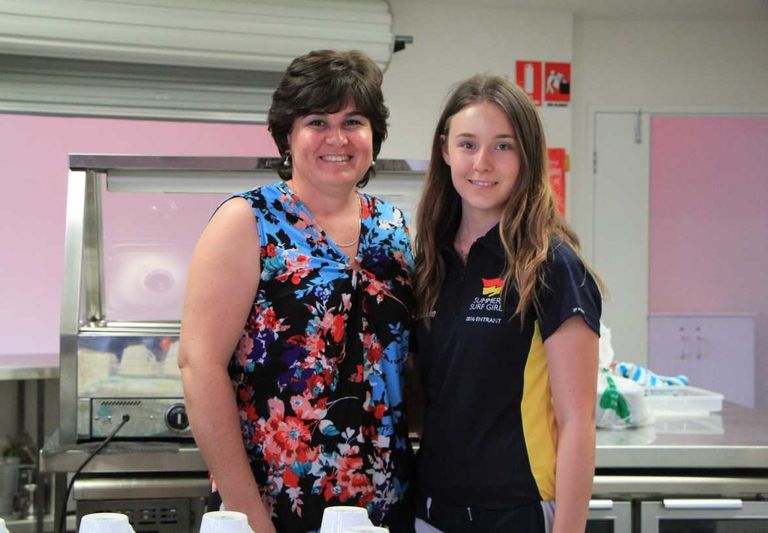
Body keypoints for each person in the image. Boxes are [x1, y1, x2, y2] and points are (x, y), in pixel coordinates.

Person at [179, 50, 416, 533]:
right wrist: (248, 517)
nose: (337, 138)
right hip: (275, 501)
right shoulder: (248, 221)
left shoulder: (393, 227)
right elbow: (199, 364)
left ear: (374, 135)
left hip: (384, 503)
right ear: (288, 134)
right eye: (317, 121)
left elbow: (407, 362)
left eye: (354, 120)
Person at [411, 74, 603, 533]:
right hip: (432, 511)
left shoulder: (551, 265)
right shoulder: (428, 261)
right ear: (445, 151)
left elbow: (577, 421)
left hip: (517, 513)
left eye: (503, 145)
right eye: (467, 144)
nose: (482, 163)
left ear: (526, 156)